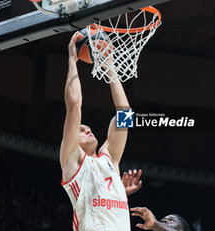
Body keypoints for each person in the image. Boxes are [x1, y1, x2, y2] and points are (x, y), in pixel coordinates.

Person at [60, 32, 132, 231]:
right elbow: (74, 104)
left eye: (87, 127)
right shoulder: (72, 162)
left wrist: (109, 66)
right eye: (81, 130)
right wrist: (72, 60)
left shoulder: (110, 160)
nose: (87, 128)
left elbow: (125, 114)